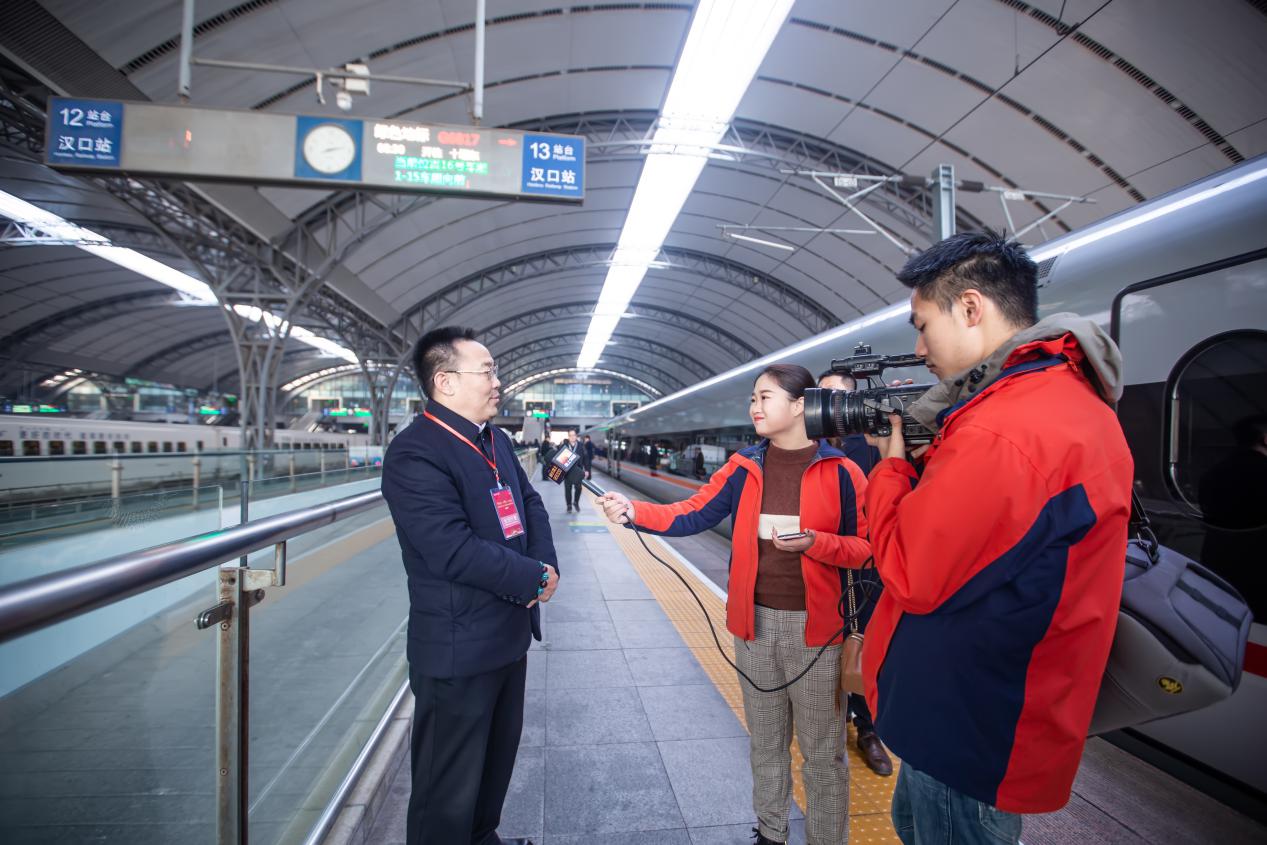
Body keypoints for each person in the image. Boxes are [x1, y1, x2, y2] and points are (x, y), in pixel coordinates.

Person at [861, 232, 1133, 844]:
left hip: (971, 723)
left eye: (923, 324)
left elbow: (911, 572)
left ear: (972, 308)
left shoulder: (1007, 427)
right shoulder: (1055, 402)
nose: (919, 346)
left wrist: (891, 469)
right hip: (966, 706)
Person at [598, 364, 871, 845]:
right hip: (754, 627)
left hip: (819, 633)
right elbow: (692, 513)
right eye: (753, 398)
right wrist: (634, 511)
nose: (755, 407)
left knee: (823, 754)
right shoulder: (744, 467)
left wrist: (815, 543)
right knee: (765, 745)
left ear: (799, 404)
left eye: (765, 397)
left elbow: (864, 548)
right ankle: (770, 834)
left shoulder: (843, 472)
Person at [381, 326, 560, 845]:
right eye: (487, 372)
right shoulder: (415, 454)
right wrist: (532, 577)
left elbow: (529, 504)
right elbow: (451, 550)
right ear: (445, 381)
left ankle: (484, 838)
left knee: (494, 768)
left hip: (506, 636)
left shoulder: (495, 440)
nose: (497, 382)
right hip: (458, 649)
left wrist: (544, 565)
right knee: (447, 790)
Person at [816, 369, 892, 778]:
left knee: (867, 643)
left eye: (838, 396)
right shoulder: (806, 442)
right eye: (822, 395)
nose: (829, 404)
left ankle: (868, 728)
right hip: (820, 564)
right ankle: (833, 718)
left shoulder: (874, 444)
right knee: (826, 645)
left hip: (867, 567)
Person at [1198, 414, 1267, 619]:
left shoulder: (1214, 472)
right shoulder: (1263, 473)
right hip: (1258, 569)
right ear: (1265, 438)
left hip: (1217, 561)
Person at [556, 429, 590, 514]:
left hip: (578, 471)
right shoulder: (564, 446)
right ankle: (569, 506)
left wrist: (587, 470)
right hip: (567, 472)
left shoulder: (581, 446)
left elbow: (586, 458)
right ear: (568, 437)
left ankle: (576, 502)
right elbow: (558, 458)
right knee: (568, 489)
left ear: (576, 436)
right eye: (570, 435)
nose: (572, 437)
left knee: (578, 488)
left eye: (573, 435)